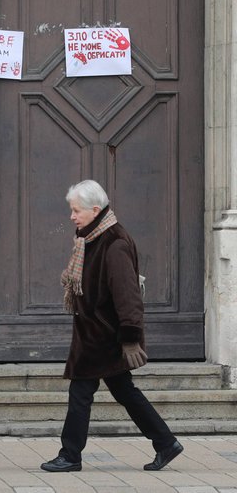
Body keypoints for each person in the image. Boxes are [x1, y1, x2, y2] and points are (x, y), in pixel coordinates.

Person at [40, 180, 184, 473]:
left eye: (76, 210)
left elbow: (128, 295)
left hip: (104, 336)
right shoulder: (90, 238)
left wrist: (131, 338)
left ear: (95, 210)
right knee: (124, 391)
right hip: (95, 334)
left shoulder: (114, 242)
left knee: (81, 392)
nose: (72, 216)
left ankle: (70, 456)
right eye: (71, 210)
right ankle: (165, 443)